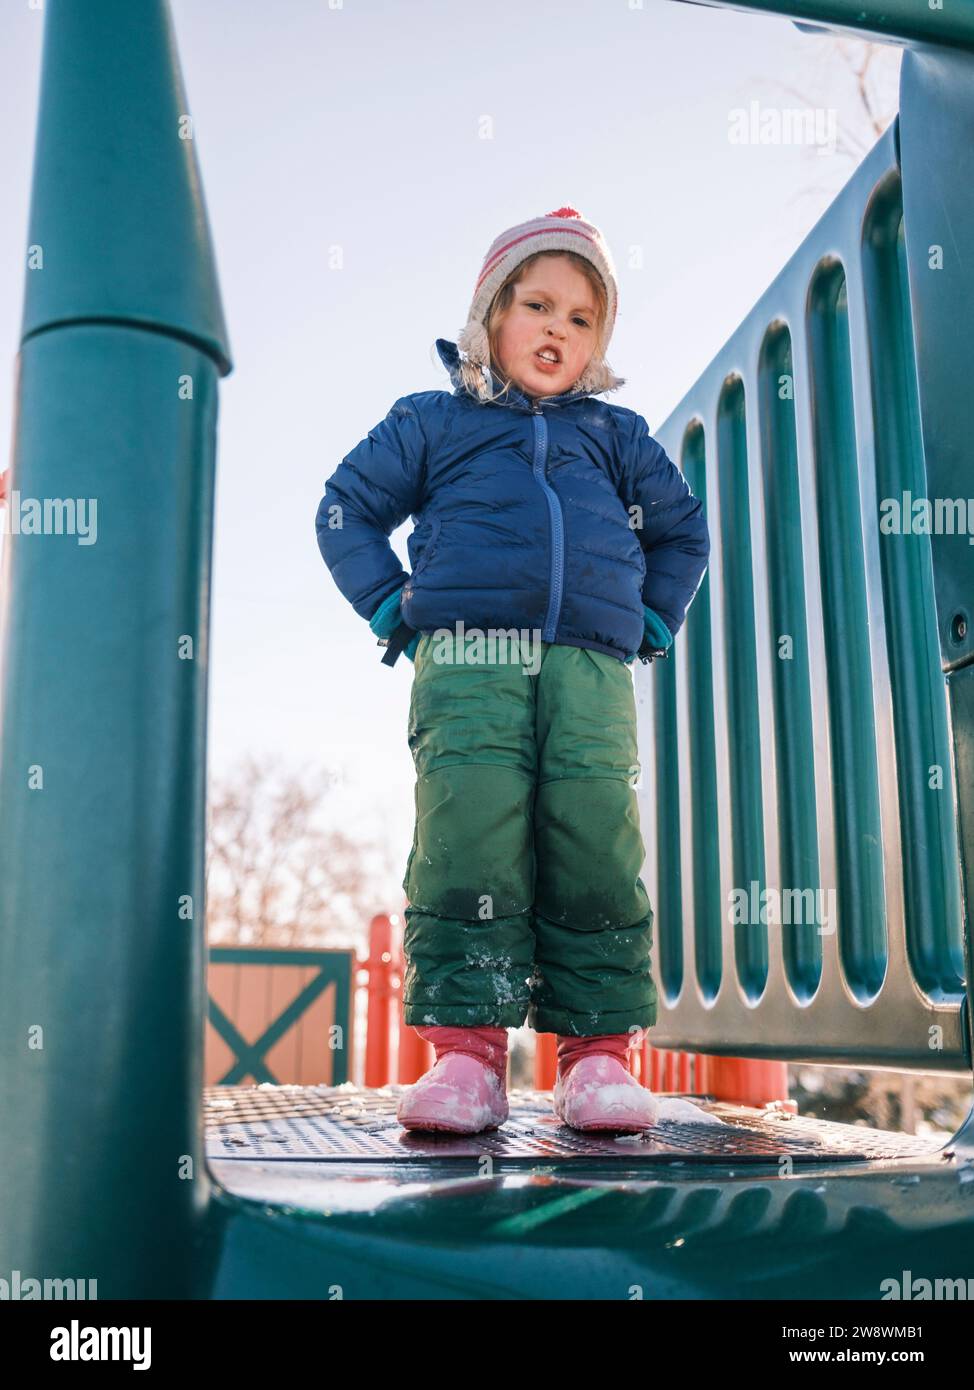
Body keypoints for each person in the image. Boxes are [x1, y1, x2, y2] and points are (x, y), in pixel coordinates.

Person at [315, 207, 710, 1134]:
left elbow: (683, 530)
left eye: (581, 318)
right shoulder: (434, 422)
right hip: (467, 666)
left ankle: (598, 1060)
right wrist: (389, 604)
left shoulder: (616, 436)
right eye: (537, 304)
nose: (557, 330)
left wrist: (652, 616)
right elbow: (345, 508)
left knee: (593, 842)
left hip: (589, 672)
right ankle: (467, 1059)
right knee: (470, 838)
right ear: (491, 312)